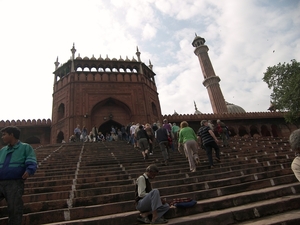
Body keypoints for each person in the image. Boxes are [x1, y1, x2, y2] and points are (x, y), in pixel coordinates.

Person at [0, 126, 37, 225]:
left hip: (15, 182)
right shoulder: (3, 150)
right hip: (1, 181)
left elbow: (31, 160)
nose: (2, 137)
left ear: (11, 135)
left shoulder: (25, 147)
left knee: (14, 208)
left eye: (4, 134)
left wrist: (29, 170)